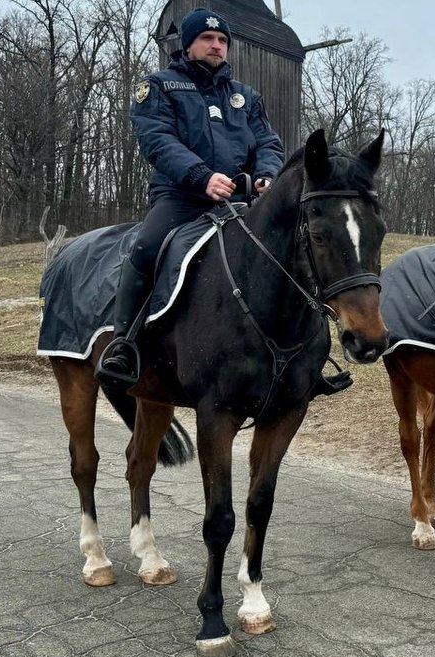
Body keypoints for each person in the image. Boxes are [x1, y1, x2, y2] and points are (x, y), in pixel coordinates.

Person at [96, 7, 284, 386]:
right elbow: (158, 140)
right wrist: (201, 177)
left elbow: (268, 143)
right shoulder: (159, 86)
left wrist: (267, 176)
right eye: (208, 39)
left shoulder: (246, 97)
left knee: (285, 249)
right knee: (146, 248)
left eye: (222, 41)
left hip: (240, 198)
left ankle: (299, 355)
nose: (217, 46)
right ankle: (123, 342)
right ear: (188, 44)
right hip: (181, 197)